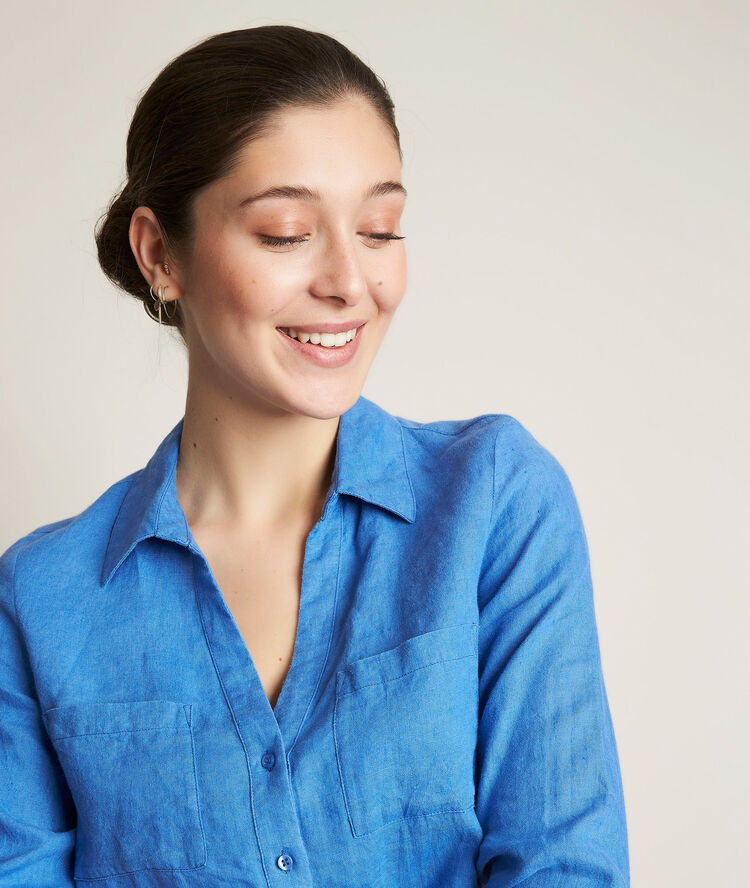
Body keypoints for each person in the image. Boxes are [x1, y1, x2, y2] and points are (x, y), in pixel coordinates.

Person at [0, 25, 630, 887]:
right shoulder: (40, 599)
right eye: (288, 232)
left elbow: (564, 865)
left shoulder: (494, 502)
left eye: (379, 229)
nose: (349, 279)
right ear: (160, 255)